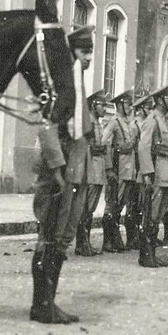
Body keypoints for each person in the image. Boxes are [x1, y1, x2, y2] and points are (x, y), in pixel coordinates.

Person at [28, 23, 95, 324]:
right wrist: (56, 168)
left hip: (76, 173)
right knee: (50, 236)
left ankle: (48, 302)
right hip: (59, 173)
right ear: (72, 52)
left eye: (91, 52)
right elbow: (46, 128)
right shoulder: (60, 86)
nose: (89, 58)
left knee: (63, 238)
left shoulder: (78, 85)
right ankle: (41, 304)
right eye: (84, 52)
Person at [136, 85, 168, 268]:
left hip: (166, 172)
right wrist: (147, 173)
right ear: (160, 100)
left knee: (158, 214)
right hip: (156, 172)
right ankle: (146, 255)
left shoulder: (164, 120)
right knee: (151, 213)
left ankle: (151, 252)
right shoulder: (152, 120)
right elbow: (144, 147)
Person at [101, 89, 139, 252]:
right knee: (112, 205)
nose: (130, 107)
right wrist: (109, 168)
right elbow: (105, 143)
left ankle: (115, 238)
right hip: (117, 169)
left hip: (127, 169)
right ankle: (108, 241)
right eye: (127, 104)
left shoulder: (127, 122)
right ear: (119, 105)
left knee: (120, 205)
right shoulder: (114, 122)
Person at [74, 89, 109, 257]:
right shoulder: (87, 121)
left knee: (90, 208)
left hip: (97, 169)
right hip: (90, 169)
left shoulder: (97, 122)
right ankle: (81, 244)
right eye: (102, 105)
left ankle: (85, 242)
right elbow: (83, 146)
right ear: (94, 106)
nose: (105, 109)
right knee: (85, 208)